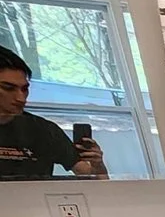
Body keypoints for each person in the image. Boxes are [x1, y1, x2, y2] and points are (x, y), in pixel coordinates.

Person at [0, 47, 109, 180]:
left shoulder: (44, 130)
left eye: (24, 89)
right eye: (8, 88)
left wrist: (97, 164)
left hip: (36, 199)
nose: (21, 98)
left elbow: (93, 177)